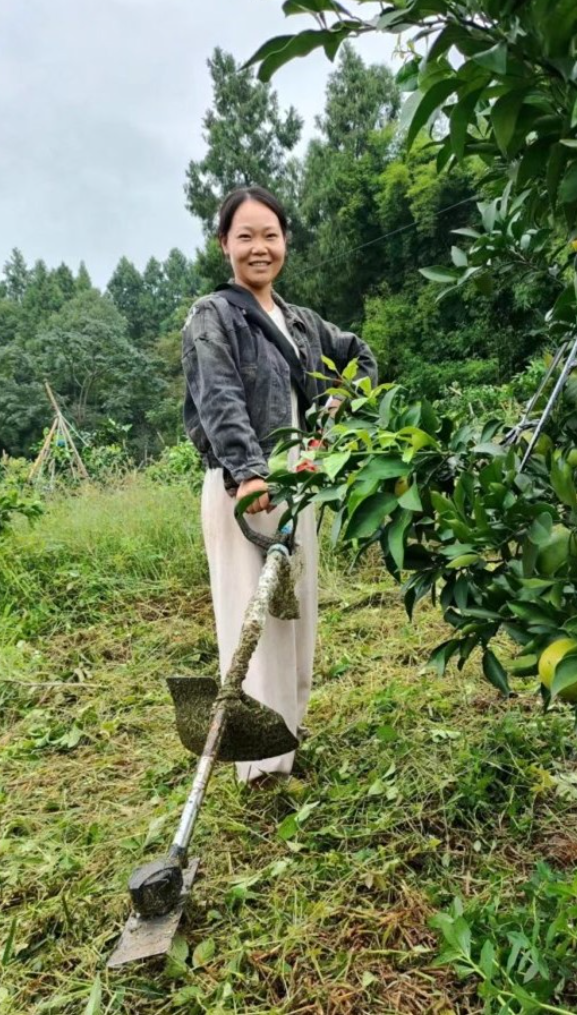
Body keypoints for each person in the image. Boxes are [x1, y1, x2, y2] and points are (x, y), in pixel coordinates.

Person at [181, 186, 377, 784]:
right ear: (224, 245)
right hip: (250, 494)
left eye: (270, 234)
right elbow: (219, 397)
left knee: (296, 623)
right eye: (245, 236)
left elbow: (360, 357)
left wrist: (333, 418)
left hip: (299, 490)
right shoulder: (211, 316)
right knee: (253, 625)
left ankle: (286, 741)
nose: (259, 247)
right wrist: (248, 472)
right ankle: (261, 771)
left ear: (285, 241)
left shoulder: (299, 322)